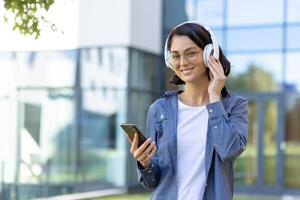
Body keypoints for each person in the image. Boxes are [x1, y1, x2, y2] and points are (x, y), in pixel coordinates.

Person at [129, 21, 248, 200]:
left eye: (191, 53)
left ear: (210, 54)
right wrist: (144, 164)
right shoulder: (160, 109)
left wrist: (214, 98)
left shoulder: (234, 106)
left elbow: (229, 150)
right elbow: (151, 182)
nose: (183, 62)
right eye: (175, 56)